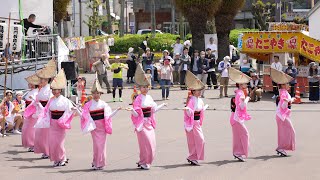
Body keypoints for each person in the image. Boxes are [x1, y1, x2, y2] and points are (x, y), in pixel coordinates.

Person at [126, 64, 167, 170]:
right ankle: (144, 161)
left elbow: (154, 110)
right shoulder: (138, 99)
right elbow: (136, 113)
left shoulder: (149, 97)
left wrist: (162, 105)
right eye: (143, 87)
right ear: (139, 88)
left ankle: (144, 161)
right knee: (146, 144)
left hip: (149, 123)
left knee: (152, 144)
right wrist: (132, 111)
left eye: (147, 87)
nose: (145, 89)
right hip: (142, 124)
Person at [34, 69, 75, 167]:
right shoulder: (51, 100)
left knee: (59, 143)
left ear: (60, 90)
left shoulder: (65, 101)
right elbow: (46, 111)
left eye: (57, 90)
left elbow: (70, 110)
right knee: (52, 143)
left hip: (60, 123)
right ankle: (56, 159)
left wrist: (71, 111)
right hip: (52, 123)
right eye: (53, 90)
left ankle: (63, 158)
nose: (55, 91)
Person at [80, 80, 121, 170]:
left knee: (101, 146)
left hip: (102, 127)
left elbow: (108, 116)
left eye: (98, 93)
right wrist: (77, 110)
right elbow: (84, 116)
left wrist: (116, 111)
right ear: (92, 94)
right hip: (94, 127)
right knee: (97, 145)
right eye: (94, 93)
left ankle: (100, 163)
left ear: (101, 94)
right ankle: (96, 162)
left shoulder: (104, 104)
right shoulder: (88, 105)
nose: (96, 95)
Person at [27, 59, 56, 159]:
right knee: (40, 133)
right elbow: (37, 100)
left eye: (43, 79)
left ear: (47, 80)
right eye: (41, 79)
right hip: (40, 111)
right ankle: (45, 150)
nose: (41, 81)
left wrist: (43, 109)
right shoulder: (41, 90)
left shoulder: (49, 90)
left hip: (46, 112)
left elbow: (50, 102)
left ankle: (48, 151)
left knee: (46, 133)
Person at [183, 71, 209, 166]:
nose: (199, 91)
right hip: (193, 123)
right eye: (198, 90)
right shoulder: (191, 100)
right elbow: (189, 112)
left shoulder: (200, 100)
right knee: (198, 140)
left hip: (197, 122)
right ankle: (193, 157)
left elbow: (200, 110)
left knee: (196, 140)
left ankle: (193, 157)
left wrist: (205, 107)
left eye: (200, 90)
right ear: (193, 91)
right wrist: (188, 110)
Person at [270, 68, 296, 157]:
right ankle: (281, 148)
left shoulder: (282, 92)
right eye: (287, 84)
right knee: (290, 131)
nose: (288, 85)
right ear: (283, 85)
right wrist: (289, 101)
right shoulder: (283, 93)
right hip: (282, 115)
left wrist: (289, 100)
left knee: (284, 132)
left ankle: (281, 148)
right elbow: (283, 106)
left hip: (282, 115)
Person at [228, 67, 252, 162]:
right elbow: (242, 106)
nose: (246, 84)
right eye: (245, 83)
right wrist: (247, 99)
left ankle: (237, 153)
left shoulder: (239, 92)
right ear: (240, 85)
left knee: (238, 136)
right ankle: (238, 153)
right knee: (244, 134)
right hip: (237, 118)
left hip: (235, 117)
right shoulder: (241, 94)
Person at [21, 74, 40, 152]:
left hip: (33, 111)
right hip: (28, 111)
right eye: (29, 83)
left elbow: (35, 102)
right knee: (26, 129)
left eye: (32, 83)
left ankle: (34, 144)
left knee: (32, 129)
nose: (30, 85)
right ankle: (31, 143)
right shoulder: (30, 92)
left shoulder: (37, 92)